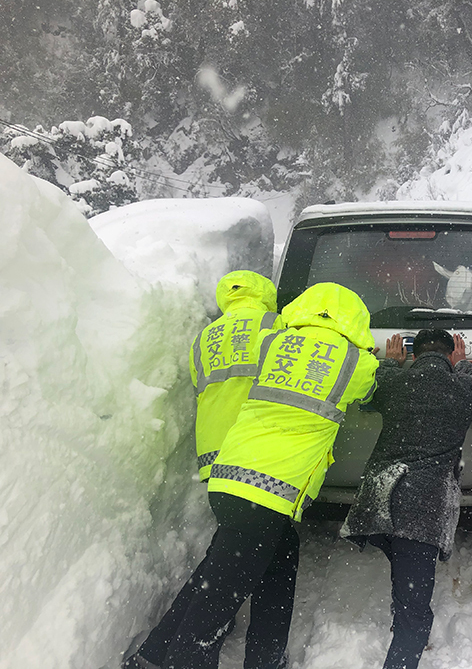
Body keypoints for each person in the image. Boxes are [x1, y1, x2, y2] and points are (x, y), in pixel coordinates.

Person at [123, 282, 378, 669]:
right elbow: (371, 389)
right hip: (268, 494)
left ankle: (252, 655)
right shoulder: (356, 363)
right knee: (217, 598)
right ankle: (176, 659)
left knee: (259, 560)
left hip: (230, 477)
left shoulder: (274, 343)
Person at [124, 271, 284, 667]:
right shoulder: (277, 328)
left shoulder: (207, 337)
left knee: (245, 552)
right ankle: (179, 653)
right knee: (236, 567)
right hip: (258, 459)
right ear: (266, 294)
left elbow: (205, 386)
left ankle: (164, 650)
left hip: (218, 461)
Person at [341, 329, 472, 669]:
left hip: (380, 499)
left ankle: (401, 612)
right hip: (423, 508)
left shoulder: (395, 383)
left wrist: (392, 364)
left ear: (413, 353)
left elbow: (375, 385)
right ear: (450, 353)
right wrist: (464, 363)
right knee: (416, 614)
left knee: (403, 576)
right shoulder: (463, 389)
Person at [189, 270, 284, 482]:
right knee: (262, 509)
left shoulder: (203, 336)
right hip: (255, 440)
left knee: (229, 510)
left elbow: (198, 385)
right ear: (265, 293)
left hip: (213, 448)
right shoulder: (273, 323)